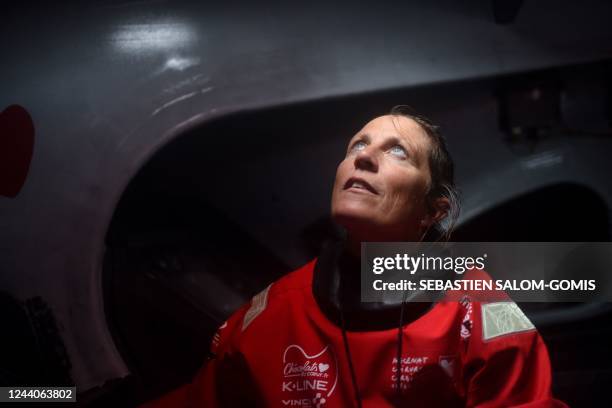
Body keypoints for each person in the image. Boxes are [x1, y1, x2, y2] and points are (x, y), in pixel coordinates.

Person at [143, 107, 565, 407]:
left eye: (398, 151)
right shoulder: (273, 311)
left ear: (432, 210)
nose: (362, 156)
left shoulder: (484, 310)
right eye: (356, 145)